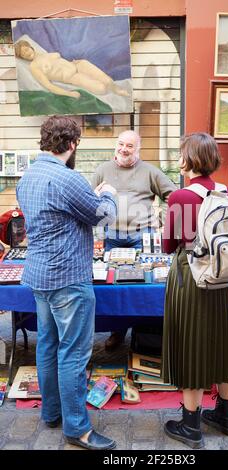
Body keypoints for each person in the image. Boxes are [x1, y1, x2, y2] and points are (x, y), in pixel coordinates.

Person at [16, 115, 118, 451]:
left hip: (38, 276)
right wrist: (109, 194)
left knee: (47, 345)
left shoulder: (27, 176)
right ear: (72, 144)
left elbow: (55, 215)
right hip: (68, 278)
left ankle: (52, 413)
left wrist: (91, 195)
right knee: (73, 354)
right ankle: (77, 429)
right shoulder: (67, 177)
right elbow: (103, 215)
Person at [161, 133, 228, 449]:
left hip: (192, 279)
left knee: (191, 344)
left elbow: (170, 244)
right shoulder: (226, 192)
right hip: (225, 279)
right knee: (223, 343)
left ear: (188, 159)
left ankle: (191, 425)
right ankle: (226, 416)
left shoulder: (181, 197)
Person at [92, 130, 177, 351]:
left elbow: (173, 195)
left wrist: (163, 220)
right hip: (111, 237)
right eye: (121, 144)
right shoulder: (103, 170)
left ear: (138, 149)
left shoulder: (150, 171)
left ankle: (146, 334)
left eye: (129, 146)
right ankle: (117, 332)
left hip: (143, 237)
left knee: (143, 284)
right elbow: (89, 197)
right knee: (113, 288)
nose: (124, 149)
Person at [14, 40, 129, 99]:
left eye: (26, 49)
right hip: (72, 77)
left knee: (108, 81)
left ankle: (117, 89)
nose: (26, 53)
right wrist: (69, 94)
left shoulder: (45, 54)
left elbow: (59, 62)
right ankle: (112, 89)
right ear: (22, 57)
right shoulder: (34, 67)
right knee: (102, 89)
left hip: (79, 65)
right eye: (23, 54)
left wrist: (74, 63)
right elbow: (48, 86)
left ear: (30, 47)